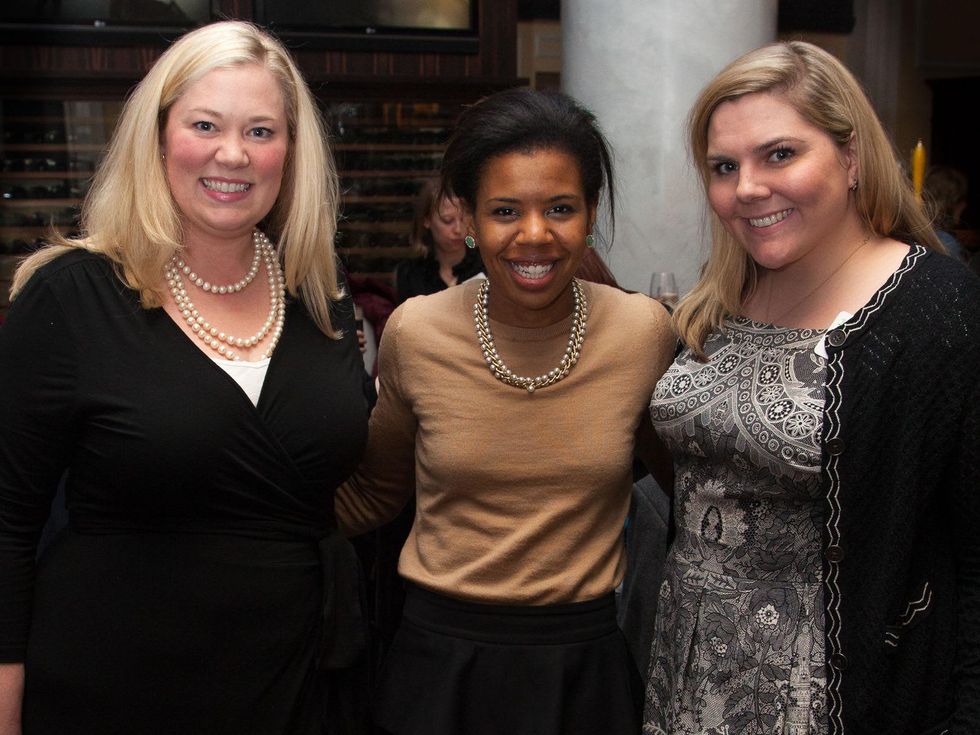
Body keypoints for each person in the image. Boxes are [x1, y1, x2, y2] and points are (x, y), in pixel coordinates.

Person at [0, 21, 372, 735]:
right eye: (206, 124)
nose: (233, 153)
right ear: (159, 134)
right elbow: (7, 527)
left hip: (300, 680)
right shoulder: (71, 297)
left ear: (290, 153)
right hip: (112, 689)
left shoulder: (321, 296)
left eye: (261, 131)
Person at [642, 41, 980, 735]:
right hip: (689, 669)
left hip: (836, 694)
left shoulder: (936, 307)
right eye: (724, 167)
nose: (748, 188)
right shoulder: (722, 292)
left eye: (780, 155)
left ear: (851, 157)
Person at [335, 87, 676, 735]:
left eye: (559, 208)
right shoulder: (416, 331)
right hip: (439, 662)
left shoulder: (642, 332)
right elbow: (374, 492)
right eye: (504, 210)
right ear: (465, 219)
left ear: (590, 212)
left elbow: (685, 486)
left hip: (584, 665)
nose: (535, 234)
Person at [392, 176, 484, 304]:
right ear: (427, 220)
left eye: (463, 219)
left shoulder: (486, 265)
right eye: (447, 220)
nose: (458, 229)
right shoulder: (409, 274)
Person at [923, 164, 970, 263]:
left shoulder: (917, 232)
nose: (965, 204)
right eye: (962, 198)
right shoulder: (946, 243)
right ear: (952, 203)